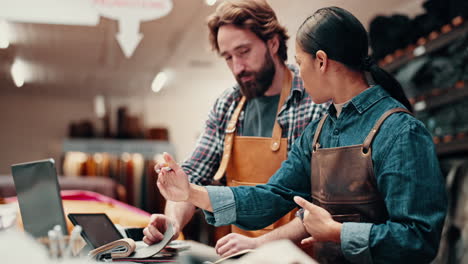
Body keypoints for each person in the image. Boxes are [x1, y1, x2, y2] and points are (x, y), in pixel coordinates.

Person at [155, 6, 448, 264]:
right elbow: (272, 197)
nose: (299, 73)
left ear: (321, 61)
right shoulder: (320, 131)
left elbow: (419, 239)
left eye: (301, 61)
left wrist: (337, 233)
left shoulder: (400, 132)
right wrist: (191, 193)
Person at [142, 0, 327, 250]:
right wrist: (172, 224)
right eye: (228, 57)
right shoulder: (227, 105)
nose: (237, 67)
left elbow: (321, 205)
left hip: (299, 255)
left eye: (243, 52)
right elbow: (193, 175)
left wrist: (260, 244)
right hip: (237, 253)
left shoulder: (314, 100)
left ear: (272, 43)